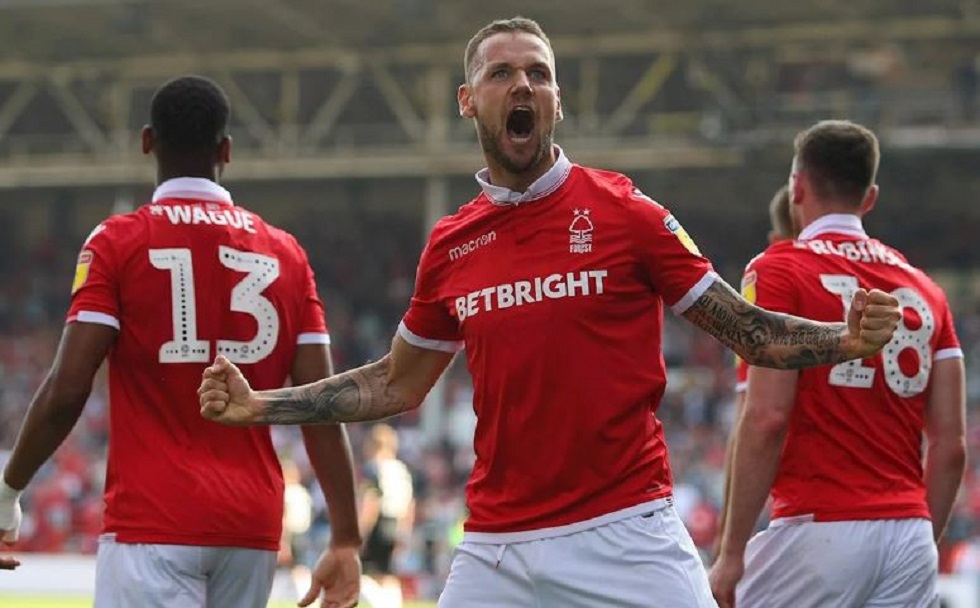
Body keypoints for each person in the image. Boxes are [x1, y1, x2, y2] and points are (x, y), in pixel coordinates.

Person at [197, 18, 901, 608]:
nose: (522, 85)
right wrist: (263, 405)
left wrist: (843, 338)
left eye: (538, 73)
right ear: (468, 101)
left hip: (627, 533)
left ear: (557, 102)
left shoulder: (626, 213)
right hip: (497, 548)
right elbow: (395, 383)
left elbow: (748, 330)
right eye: (502, 73)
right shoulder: (451, 244)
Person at [0, 75, 362, 608]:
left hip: (153, 519)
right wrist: (347, 536)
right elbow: (320, 406)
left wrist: (8, 490)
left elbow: (68, 389)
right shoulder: (286, 253)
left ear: (148, 141)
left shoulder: (117, 242)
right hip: (251, 527)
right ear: (226, 151)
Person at [709, 120, 966, 608]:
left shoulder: (779, 270)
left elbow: (766, 418)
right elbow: (951, 446)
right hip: (911, 531)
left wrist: (732, 550)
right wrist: (919, 541)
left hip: (819, 527)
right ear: (869, 198)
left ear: (797, 187)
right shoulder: (927, 290)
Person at [712, 184, 800, 559]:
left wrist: (727, 545)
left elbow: (757, 417)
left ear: (775, 239)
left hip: (810, 513)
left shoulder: (773, 276)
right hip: (904, 520)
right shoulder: (884, 282)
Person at [358, 424, 415, 608]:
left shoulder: (373, 468)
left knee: (364, 572)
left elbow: (371, 501)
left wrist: (362, 531)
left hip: (378, 525)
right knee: (387, 573)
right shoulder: (401, 470)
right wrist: (405, 533)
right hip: (396, 524)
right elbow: (410, 504)